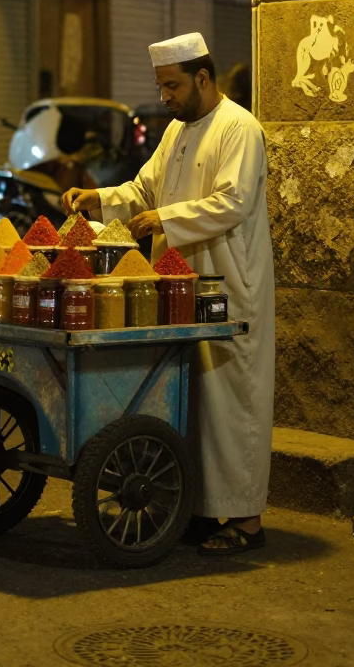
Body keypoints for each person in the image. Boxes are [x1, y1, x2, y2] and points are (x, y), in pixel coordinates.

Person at [62, 31, 275, 556]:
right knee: (189, 403)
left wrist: (164, 219)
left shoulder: (239, 128)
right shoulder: (177, 132)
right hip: (180, 285)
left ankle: (247, 522)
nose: (165, 98)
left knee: (231, 405)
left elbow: (233, 202)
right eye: (161, 88)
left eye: (173, 86)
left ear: (203, 78)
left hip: (230, 284)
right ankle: (201, 512)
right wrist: (100, 197)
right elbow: (144, 188)